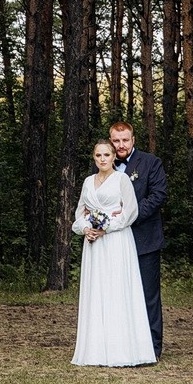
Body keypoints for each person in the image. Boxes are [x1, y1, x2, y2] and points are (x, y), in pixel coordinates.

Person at [71, 140, 157, 367]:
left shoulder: (122, 180)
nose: (102, 159)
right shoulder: (88, 182)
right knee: (97, 291)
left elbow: (130, 213)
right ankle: (96, 350)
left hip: (117, 241)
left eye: (107, 155)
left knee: (117, 289)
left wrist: (105, 227)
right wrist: (86, 229)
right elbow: (79, 214)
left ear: (113, 157)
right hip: (94, 247)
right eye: (98, 155)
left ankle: (123, 350)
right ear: (94, 157)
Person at [107, 121, 166, 358]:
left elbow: (158, 195)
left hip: (144, 239)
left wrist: (129, 215)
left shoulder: (151, 162)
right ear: (110, 141)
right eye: (116, 141)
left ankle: (152, 348)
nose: (120, 145)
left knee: (148, 295)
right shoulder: (103, 164)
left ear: (133, 141)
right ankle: (122, 345)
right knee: (118, 293)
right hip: (113, 242)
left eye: (125, 140)